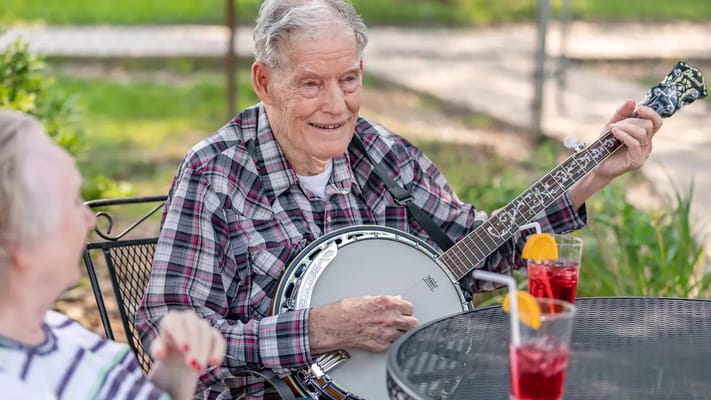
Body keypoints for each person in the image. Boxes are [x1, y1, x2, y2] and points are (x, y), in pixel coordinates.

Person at [135, 0, 663, 398]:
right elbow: (170, 332)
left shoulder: (381, 152)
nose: (336, 105)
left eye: (348, 80)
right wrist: (315, 331)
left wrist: (594, 174)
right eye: (311, 84)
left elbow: (484, 251)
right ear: (264, 82)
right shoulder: (216, 172)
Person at [0, 109, 227, 400]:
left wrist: (176, 367)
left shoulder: (55, 331)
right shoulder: (16, 386)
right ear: (19, 243)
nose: (90, 220)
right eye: (72, 202)